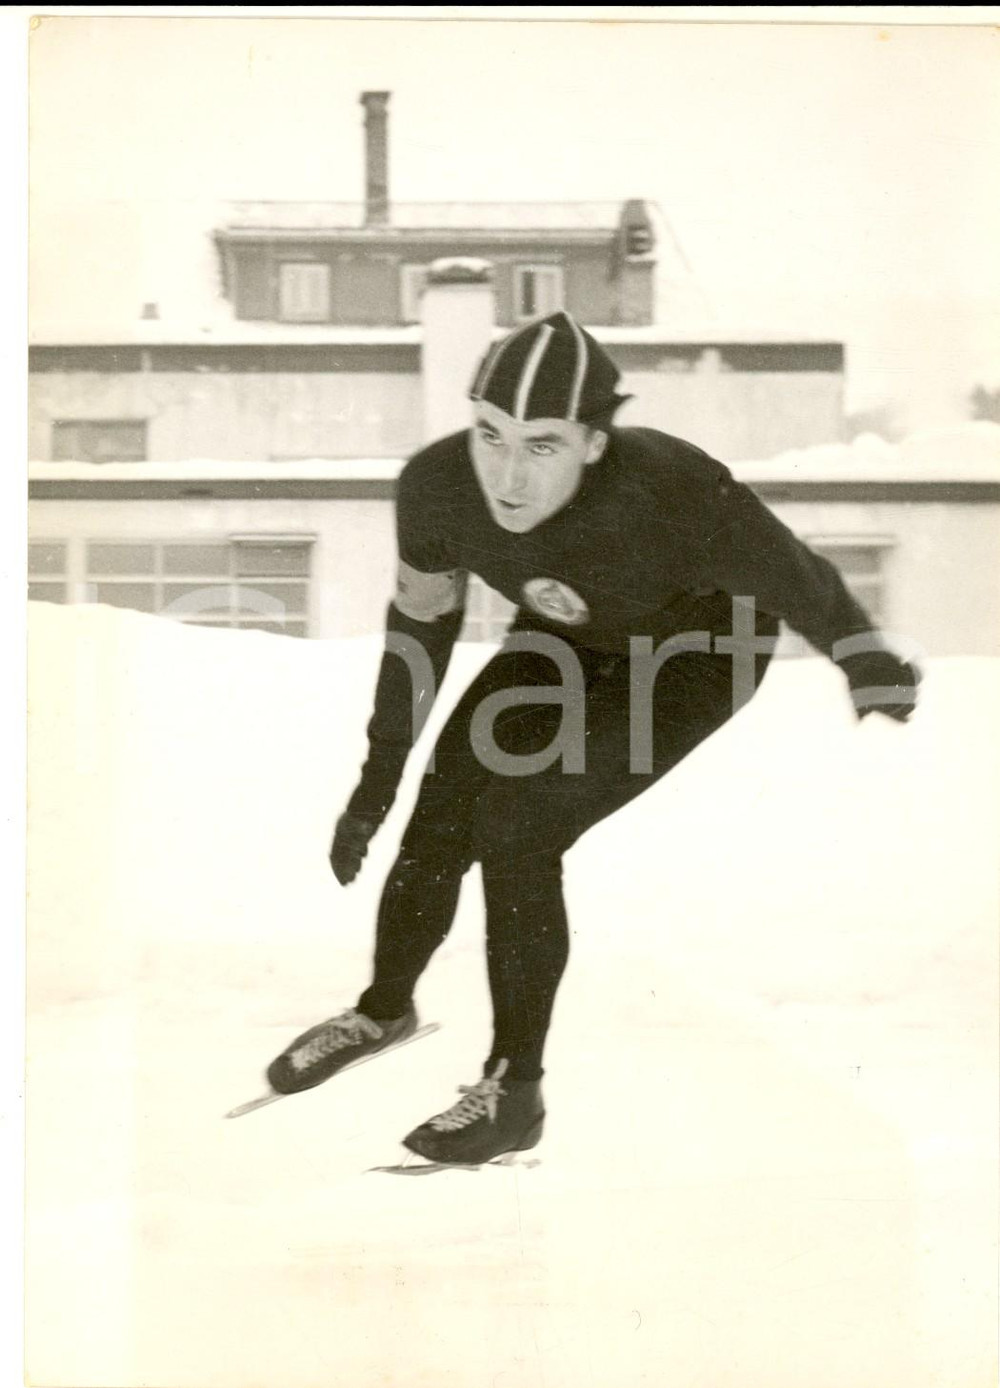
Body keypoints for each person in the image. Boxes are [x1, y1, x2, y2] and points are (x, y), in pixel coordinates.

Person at [265, 311, 920, 1166]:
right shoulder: (436, 488)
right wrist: (377, 775)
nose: (505, 473)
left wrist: (864, 657)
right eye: (489, 435)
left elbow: (800, 577)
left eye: (542, 446)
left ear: (595, 443)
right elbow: (419, 629)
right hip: (566, 636)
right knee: (447, 797)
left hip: (697, 652)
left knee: (521, 823)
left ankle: (515, 1091)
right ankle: (384, 1009)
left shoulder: (673, 491)